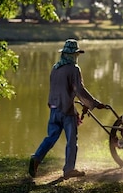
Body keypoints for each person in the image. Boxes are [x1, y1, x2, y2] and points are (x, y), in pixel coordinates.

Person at [29, 39, 106, 179]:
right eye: (75, 55)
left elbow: (56, 88)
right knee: (71, 140)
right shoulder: (74, 69)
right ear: (72, 55)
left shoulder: (55, 67)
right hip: (66, 111)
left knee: (51, 137)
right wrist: (94, 103)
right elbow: (79, 90)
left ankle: (36, 158)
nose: (76, 57)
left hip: (54, 108)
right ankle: (69, 169)